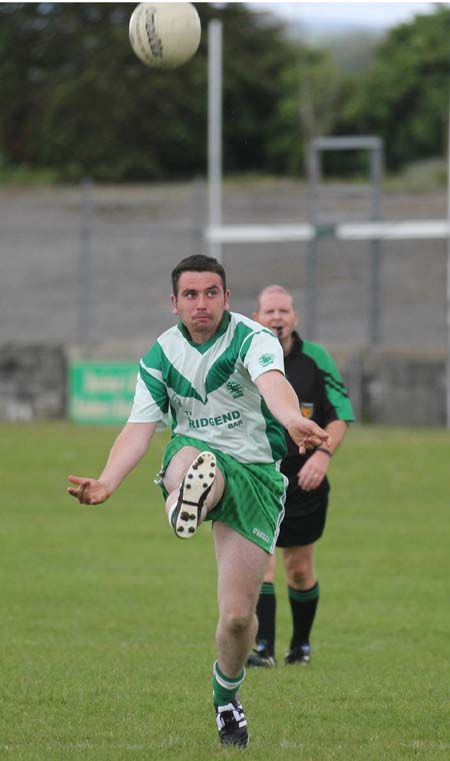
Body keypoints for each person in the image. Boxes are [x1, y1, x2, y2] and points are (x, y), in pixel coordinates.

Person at [67, 255, 330, 749]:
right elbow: (138, 430)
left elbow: (274, 386)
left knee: (236, 618)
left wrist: (292, 419)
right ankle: (188, 497)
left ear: (227, 298)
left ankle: (226, 696)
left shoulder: (254, 339)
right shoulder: (161, 355)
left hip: (256, 478)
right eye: (191, 295)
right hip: (197, 457)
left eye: (211, 293)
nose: (201, 303)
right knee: (188, 460)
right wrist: (106, 481)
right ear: (174, 304)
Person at [247, 284, 354, 668]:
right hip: (258, 476)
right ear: (256, 317)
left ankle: (300, 647)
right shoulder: (247, 355)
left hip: (305, 478)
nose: (277, 318)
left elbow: (340, 415)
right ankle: (262, 649)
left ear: (294, 317)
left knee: (299, 566)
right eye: (269, 311)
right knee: (261, 563)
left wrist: (323, 456)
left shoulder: (316, 359)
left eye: (284, 311)